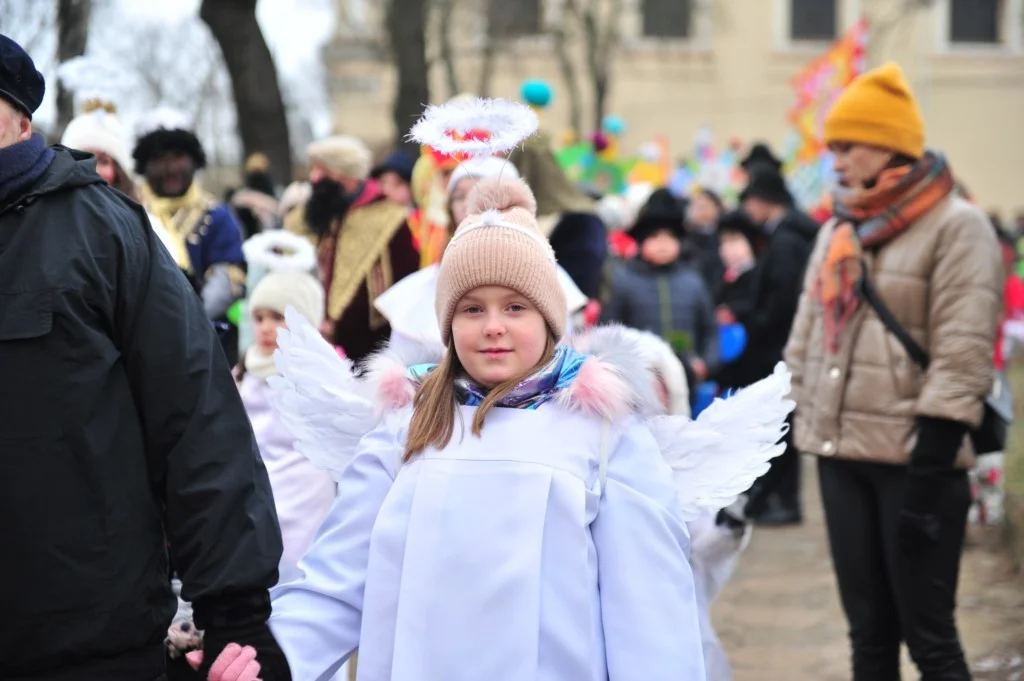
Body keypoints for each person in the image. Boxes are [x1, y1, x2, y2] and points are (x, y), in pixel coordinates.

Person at [0, 35, 289, 681]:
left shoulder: (102, 230)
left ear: (22, 118)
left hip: (79, 631)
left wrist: (234, 608)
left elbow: (194, 415)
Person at [785, 62, 1003, 681]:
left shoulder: (959, 226)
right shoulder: (837, 231)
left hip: (917, 465)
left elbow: (963, 357)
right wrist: (784, 427)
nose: (837, 160)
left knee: (930, 640)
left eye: (847, 145)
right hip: (840, 456)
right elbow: (804, 346)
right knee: (869, 638)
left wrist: (931, 476)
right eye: (833, 146)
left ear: (891, 144)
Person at [373, 156, 589, 354]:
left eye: (482, 193)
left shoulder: (548, 277)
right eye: (460, 196)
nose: (469, 204)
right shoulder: (419, 291)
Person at [286, 134, 419, 363]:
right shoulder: (308, 215)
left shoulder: (390, 218)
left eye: (321, 171)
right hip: (308, 341)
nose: (313, 178)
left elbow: (404, 286)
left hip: (369, 350)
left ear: (346, 177)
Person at [132, 108, 248, 366]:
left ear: (194, 160)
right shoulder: (130, 212)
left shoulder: (217, 216)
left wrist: (187, 323)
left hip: (206, 341)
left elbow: (228, 278)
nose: (171, 168)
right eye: (160, 159)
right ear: (145, 165)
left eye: (178, 156)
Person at [736, 167, 819, 525]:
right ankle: (781, 500)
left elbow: (782, 298)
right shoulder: (788, 234)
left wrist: (755, 321)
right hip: (783, 343)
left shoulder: (785, 241)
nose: (748, 210)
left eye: (751, 201)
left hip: (778, 346)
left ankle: (784, 502)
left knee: (782, 422)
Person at [601, 187, 720, 400]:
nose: (663, 244)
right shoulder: (625, 281)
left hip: (688, 380)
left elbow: (710, 330)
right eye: (655, 236)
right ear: (641, 241)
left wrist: (705, 363)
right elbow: (608, 333)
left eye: (670, 237)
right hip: (640, 383)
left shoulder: (693, 281)